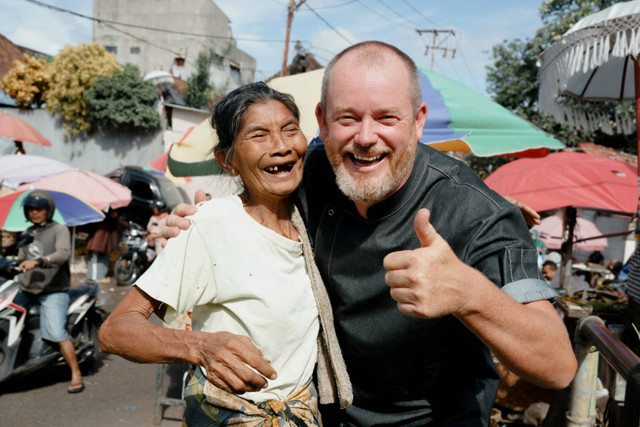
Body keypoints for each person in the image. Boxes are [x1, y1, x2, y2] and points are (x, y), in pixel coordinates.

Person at [164, 41, 577, 425]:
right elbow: (246, 199)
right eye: (348, 118)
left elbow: (557, 365)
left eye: (386, 118)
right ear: (322, 122)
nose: (365, 137)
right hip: (319, 412)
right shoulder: (310, 173)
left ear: (418, 122)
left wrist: (469, 293)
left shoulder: (477, 214)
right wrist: (194, 221)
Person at [99, 82, 352, 425]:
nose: (280, 146)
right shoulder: (210, 225)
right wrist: (200, 347)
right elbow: (115, 330)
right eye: (259, 135)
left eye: (289, 129)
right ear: (228, 160)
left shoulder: (312, 217)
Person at [14, 190, 84, 393]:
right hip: (27, 290)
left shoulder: (59, 229)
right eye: (31, 209)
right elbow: (20, 258)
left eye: (39, 208)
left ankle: (75, 372)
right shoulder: (27, 232)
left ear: (48, 209)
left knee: (55, 332)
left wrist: (38, 261)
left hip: (53, 290)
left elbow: (62, 254)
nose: (35, 212)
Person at [85, 208, 124, 282]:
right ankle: (96, 277)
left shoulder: (108, 217)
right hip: (99, 239)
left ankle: (99, 276)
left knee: (102, 258)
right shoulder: (102, 214)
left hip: (104, 239)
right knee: (96, 258)